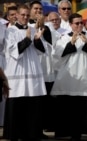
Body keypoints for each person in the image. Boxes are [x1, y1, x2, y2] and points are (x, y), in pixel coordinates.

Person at [51, 13, 87, 141]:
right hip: (71, 82)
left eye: (81, 23)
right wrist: (71, 43)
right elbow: (57, 59)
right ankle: (75, 136)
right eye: (77, 23)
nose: (80, 25)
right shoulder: (64, 38)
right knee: (74, 113)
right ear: (70, 25)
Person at [3, 4, 47, 141]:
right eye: (23, 15)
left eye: (27, 15)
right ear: (16, 15)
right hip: (17, 73)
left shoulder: (33, 30)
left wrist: (37, 40)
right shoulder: (10, 31)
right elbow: (13, 52)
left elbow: (42, 51)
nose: (25, 17)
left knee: (32, 105)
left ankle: (31, 134)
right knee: (16, 105)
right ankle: (14, 135)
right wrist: (27, 39)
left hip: (32, 73)